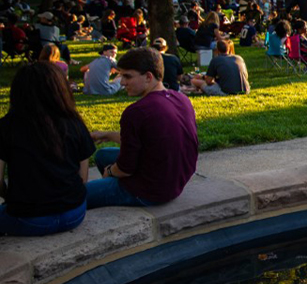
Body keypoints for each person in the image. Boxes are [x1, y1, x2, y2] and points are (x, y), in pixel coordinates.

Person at [87, 48, 199, 207]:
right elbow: (149, 138)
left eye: (127, 76)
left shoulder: (136, 112)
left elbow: (125, 168)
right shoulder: (181, 98)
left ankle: (123, 192)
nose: (122, 82)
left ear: (148, 76)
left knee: (77, 196)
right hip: (175, 181)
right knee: (103, 155)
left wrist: (110, 172)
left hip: (150, 192)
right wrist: (108, 135)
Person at [0, 63, 94, 235]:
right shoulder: (74, 122)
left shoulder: (6, 126)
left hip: (28, 218)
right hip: (75, 214)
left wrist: (9, 198)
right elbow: (83, 178)